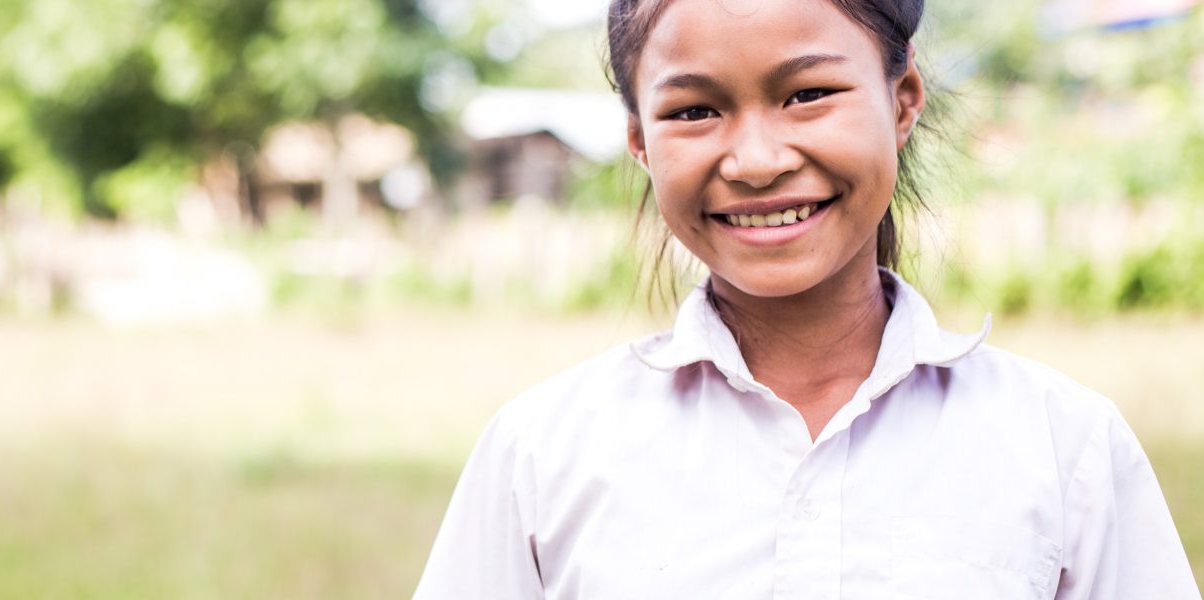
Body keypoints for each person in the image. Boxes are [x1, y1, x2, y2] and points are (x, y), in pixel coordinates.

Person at [414, 0, 1201, 597]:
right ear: (639, 141)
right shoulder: (543, 456)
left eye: (808, 94)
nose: (756, 160)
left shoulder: (1065, 450)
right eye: (694, 110)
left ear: (902, 100)